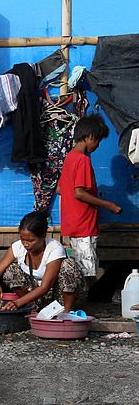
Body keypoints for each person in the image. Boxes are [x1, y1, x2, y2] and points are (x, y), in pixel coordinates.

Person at [57, 114, 121, 282]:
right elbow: (79, 192)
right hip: (84, 224)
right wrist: (108, 205)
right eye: (98, 141)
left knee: (79, 269)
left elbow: (59, 189)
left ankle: (78, 304)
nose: (98, 146)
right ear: (90, 137)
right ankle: (83, 306)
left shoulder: (69, 158)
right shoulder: (83, 160)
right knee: (87, 273)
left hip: (72, 224)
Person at [0, 211, 87, 312]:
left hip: (58, 296)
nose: (26, 244)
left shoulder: (54, 248)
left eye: (31, 240)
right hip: (39, 297)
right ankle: (33, 306)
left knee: (68, 265)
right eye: (23, 239)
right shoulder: (17, 247)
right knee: (10, 271)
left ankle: (67, 311)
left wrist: (17, 303)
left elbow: (45, 286)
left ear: (43, 236)